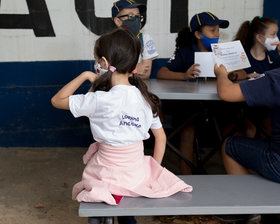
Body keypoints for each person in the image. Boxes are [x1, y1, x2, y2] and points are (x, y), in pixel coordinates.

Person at [51, 28, 192, 224]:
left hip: (107, 177)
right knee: (125, 198)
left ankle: (102, 217)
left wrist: (85, 75)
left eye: (97, 60)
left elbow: (57, 100)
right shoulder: (145, 98)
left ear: (105, 63)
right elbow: (161, 137)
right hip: (136, 176)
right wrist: (154, 171)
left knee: (100, 184)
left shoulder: (99, 99)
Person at [157, 12, 229, 174]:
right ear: (198, 34)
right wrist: (184, 75)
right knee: (187, 131)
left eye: (218, 31)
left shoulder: (223, 52)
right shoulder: (185, 53)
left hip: (219, 104)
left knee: (231, 127)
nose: (216, 35)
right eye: (212, 30)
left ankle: (231, 174)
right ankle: (187, 176)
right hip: (188, 106)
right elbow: (162, 73)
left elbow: (240, 73)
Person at [214, 64, 280, 223]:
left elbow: (226, 93)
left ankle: (248, 208)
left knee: (230, 146)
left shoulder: (275, 77)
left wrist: (221, 74)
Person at [111, 0, 158, 79]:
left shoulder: (145, 39)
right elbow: (104, 74)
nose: (136, 20)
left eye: (138, 16)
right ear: (118, 21)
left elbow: (146, 74)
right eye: (131, 16)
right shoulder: (107, 41)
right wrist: (134, 70)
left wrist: (120, 71)